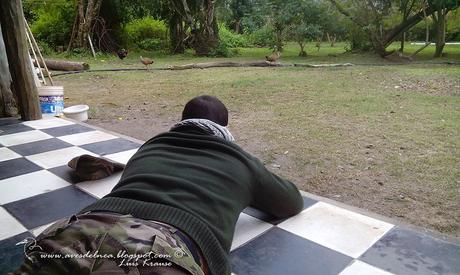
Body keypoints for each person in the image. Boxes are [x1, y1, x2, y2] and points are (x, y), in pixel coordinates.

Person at [14, 95, 303, 275]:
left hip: (79, 228)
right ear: (225, 130)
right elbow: (290, 202)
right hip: (163, 251)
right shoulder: (241, 161)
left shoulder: (151, 146)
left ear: (182, 122)